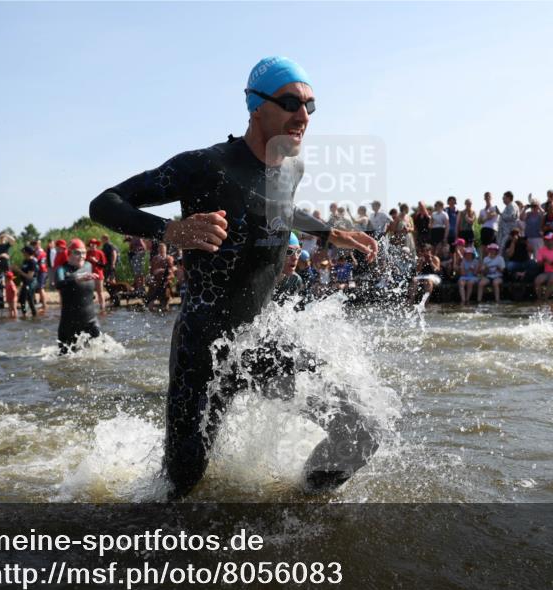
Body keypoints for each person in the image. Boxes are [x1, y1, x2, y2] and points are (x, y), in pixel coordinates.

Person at [89, 56, 380, 497]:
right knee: (182, 485)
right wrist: (168, 230)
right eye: (290, 103)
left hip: (257, 345)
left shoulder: (292, 168)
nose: (303, 116)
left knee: (360, 432)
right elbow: (105, 202)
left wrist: (328, 232)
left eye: (310, 106)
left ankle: (298, 509)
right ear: (256, 107)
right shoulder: (205, 167)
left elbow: (272, 205)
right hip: (202, 350)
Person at [54, 239, 103, 354]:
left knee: (101, 352)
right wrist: (77, 279)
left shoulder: (89, 266)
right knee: (65, 359)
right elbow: (59, 284)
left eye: (84, 252)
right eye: (77, 253)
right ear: (69, 253)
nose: (81, 256)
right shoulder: (62, 269)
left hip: (90, 320)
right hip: (69, 324)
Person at [534, 232, 553, 300]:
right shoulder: (541, 250)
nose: (548, 242)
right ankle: (539, 299)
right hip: (546, 273)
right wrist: (543, 262)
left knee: (551, 280)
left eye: (549, 240)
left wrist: (551, 263)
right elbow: (538, 264)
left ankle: (545, 299)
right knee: (537, 280)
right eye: (546, 240)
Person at [146, 242, 176, 310]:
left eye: (162, 250)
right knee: (150, 306)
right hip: (155, 283)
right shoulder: (154, 259)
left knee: (165, 307)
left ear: (165, 250)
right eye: (160, 249)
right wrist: (149, 278)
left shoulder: (169, 258)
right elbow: (151, 272)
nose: (161, 251)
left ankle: (165, 304)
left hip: (165, 283)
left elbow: (172, 271)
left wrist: (161, 270)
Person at [14, 245, 38, 317]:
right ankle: (24, 315)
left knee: (30, 299)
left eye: (24, 252)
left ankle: (34, 315)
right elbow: (23, 272)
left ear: (27, 253)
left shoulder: (32, 262)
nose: (23, 253)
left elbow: (30, 276)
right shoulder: (25, 261)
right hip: (25, 282)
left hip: (31, 282)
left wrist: (19, 271)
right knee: (22, 299)